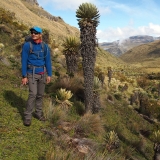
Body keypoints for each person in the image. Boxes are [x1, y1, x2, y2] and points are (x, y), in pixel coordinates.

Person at [21, 26, 52, 126]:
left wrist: (49, 74)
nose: (33, 34)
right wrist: (24, 76)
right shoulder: (27, 45)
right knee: (32, 94)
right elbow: (24, 61)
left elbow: (48, 61)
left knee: (40, 95)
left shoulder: (45, 46)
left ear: (40, 34)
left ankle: (38, 113)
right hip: (31, 73)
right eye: (32, 33)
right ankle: (27, 117)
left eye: (36, 33)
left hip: (42, 74)